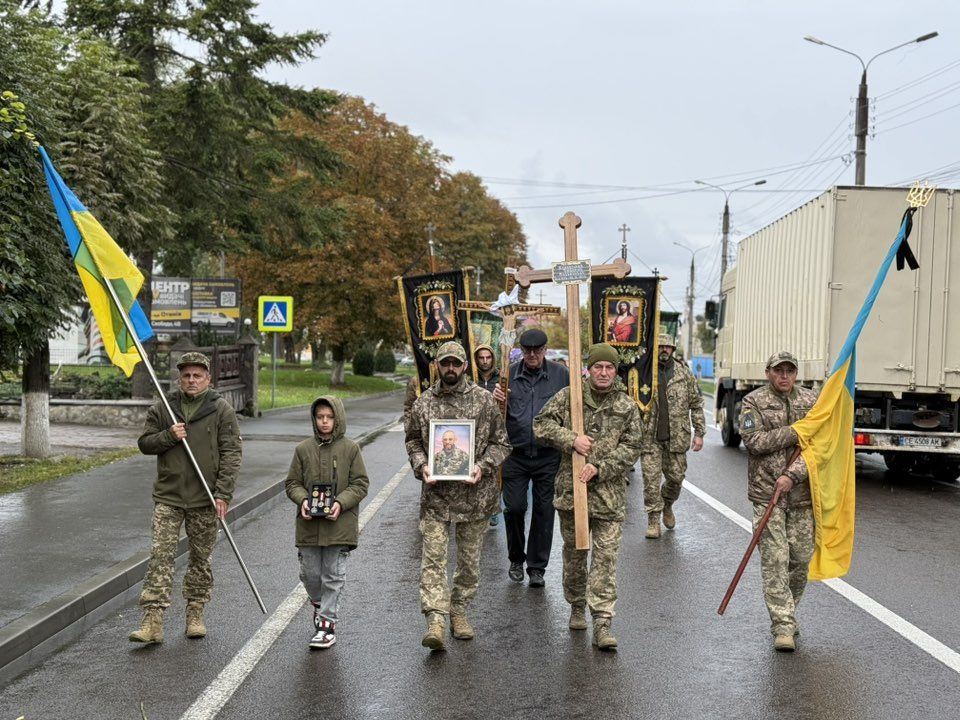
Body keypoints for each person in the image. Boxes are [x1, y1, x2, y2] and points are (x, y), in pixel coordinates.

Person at [533, 343, 642, 650]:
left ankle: (603, 621)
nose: (604, 372)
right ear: (589, 369)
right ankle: (577, 604)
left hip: (608, 497)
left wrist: (600, 467)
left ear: (615, 371)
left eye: (609, 367)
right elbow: (540, 425)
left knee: (606, 559)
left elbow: (633, 447)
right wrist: (571, 439)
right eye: (598, 367)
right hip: (572, 494)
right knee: (575, 555)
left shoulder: (626, 406)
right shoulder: (570, 397)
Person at [405, 341, 511, 650]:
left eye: (456, 363)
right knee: (434, 560)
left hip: (474, 498)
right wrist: (422, 464)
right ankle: (436, 620)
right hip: (436, 498)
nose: (450, 368)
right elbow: (412, 441)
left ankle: (459, 609)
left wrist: (482, 466)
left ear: (465, 365)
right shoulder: (423, 404)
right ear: (437, 365)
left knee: (468, 563)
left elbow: (501, 443)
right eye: (445, 363)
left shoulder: (483, 401)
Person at [129, 351, 241, 644]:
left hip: (205, 497)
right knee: (160, 557)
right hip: (169, 495)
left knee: (201, 559)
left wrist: (223, 492)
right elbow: (145, 444)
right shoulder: (164, 408)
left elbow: (231, 453)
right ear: (179, 378)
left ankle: (195, 613)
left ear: (208, 378)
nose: (191, 380)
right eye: (186, 375)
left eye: (197, 375)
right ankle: (153, 621)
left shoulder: (221, 410)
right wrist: (168, 435)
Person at [740, 351, 818, 652]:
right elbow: (755, 442)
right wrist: (797, 431)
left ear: (796, 374)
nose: (784, 376)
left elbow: (818, 446)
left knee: (800, 560)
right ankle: (783, 624)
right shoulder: (753, 402)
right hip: (766, 493)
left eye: (790, 371)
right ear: (768, 373)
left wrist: (794, 475)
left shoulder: (811, 403)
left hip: (802, 495)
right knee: (775, 560)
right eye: (778, 371)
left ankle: (790, 609)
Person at [285, 396, 369, 649]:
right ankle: (319, 604)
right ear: (314, 419)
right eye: (320, 417)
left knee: (333, 575)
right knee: (310, 574)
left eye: (329, 417)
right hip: (309, 525)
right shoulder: (303, 450)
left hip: (339, 525)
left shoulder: (350, 449)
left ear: (338, 419)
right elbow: (292, 484)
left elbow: (360, 484)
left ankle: (326, 626)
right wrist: (303, 501)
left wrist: (340, 503)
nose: (324, 421)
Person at [492, 327, 570, 587]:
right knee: (514, 507)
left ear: (545, 350)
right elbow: (494, 415)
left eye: (537, 350)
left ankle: (537, 567)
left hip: (549, 455)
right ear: (522, 351)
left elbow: (575, 407)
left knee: (544, 511)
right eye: (527, 351)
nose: (533, 355)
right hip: (515, 453)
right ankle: (516, 557)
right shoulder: (509, 374)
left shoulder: (561, 375)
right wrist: (497, 400)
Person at [641, 333, 706, 539]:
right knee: (651, 481)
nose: (664, 350)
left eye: (668, 347)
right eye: (660, 346)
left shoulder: (684, 374)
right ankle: (653, 520)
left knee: (676, 479)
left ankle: (667, 503)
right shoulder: (644, 372)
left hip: (677, 438)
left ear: (673, 350)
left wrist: (700, 433)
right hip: (650, 437)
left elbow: (696, 404)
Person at [472, 343, 503, 528]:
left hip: (496, 431)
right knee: (478, 469)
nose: (485, 361)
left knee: (496, 471)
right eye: (481, 358)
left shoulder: (501, 378)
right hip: (476, 432)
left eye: (488, 357)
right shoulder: (470, 379)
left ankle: (493, 508)